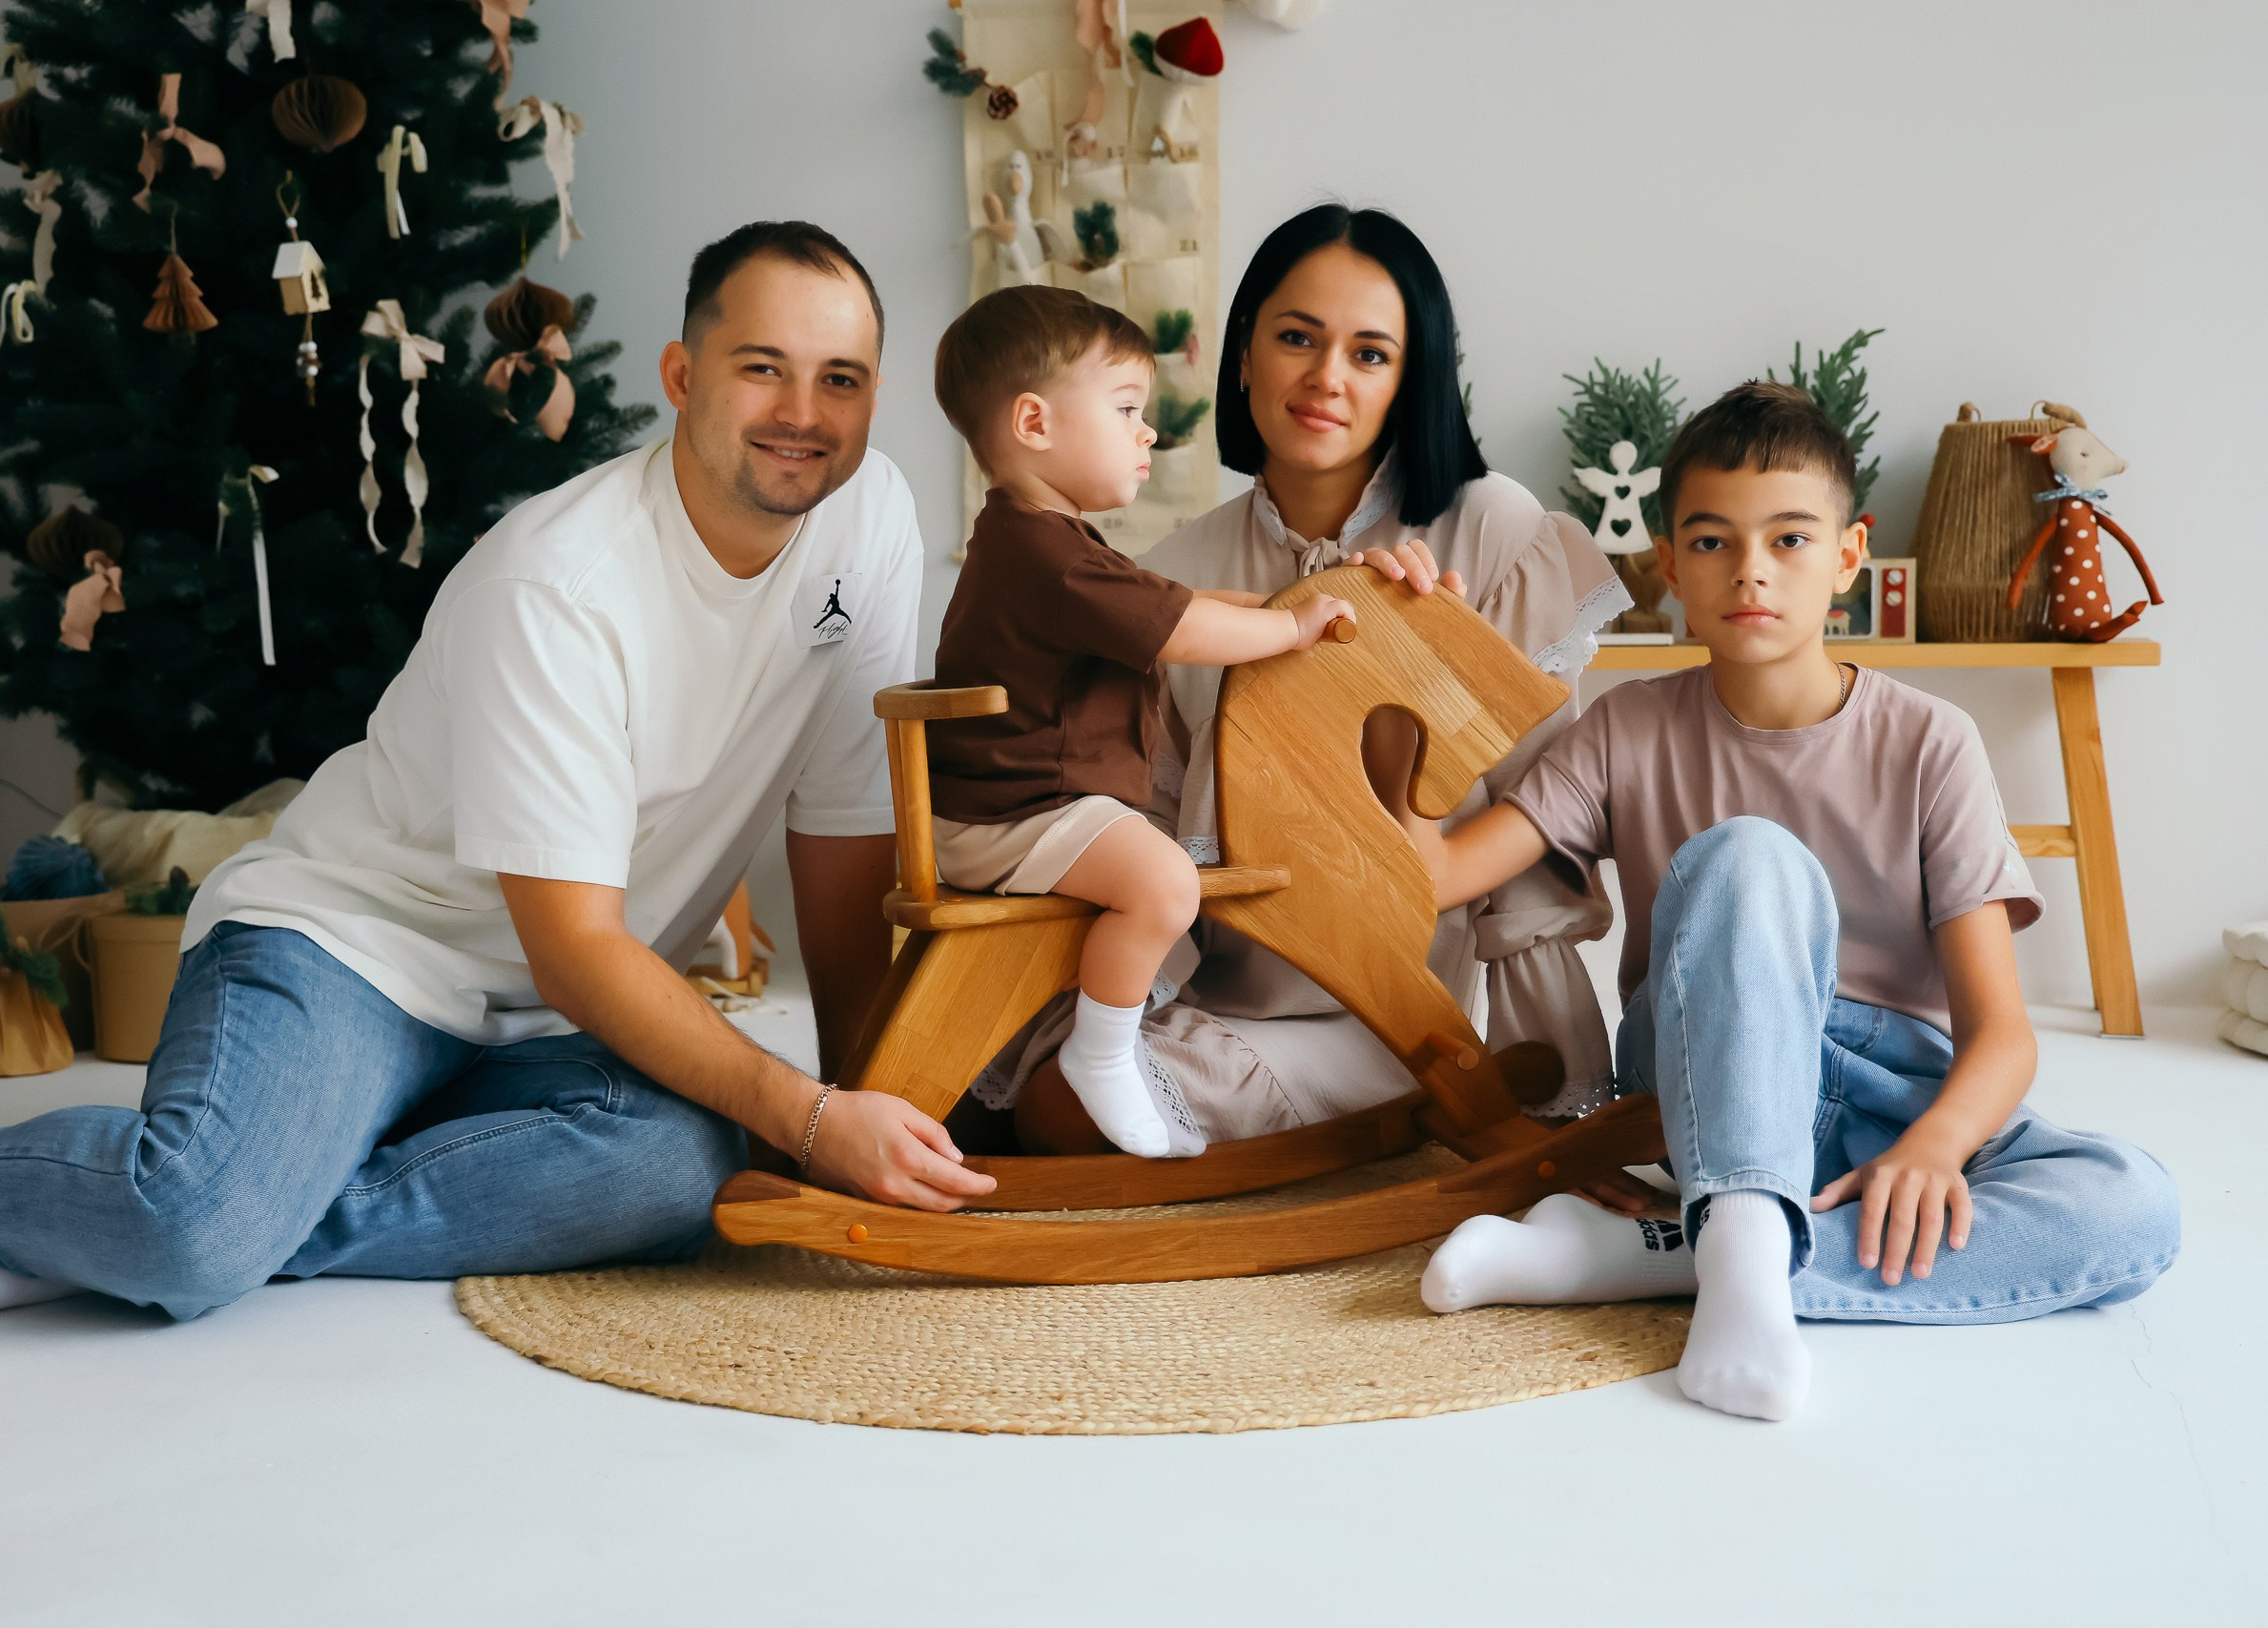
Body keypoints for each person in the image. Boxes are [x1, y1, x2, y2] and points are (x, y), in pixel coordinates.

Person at [0, 220, 996, 1329]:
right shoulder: (556, 586)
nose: (803, 414)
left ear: (873, 397)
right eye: (763, 369)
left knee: (680, 1170)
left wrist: (851, 1108)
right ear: (683, 377)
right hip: (353, 952)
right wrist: (810, 1115)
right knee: (193, 1221)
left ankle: (131, 1226)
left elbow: (844, 837)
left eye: (840, 378)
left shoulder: (869, 520)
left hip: (545, 1025)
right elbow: (577, 948)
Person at [1412, 381, 2181, 1421]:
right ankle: (1733, 1231)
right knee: (1749, 857)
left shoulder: (1930, 741)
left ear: (1848, 556)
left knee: (2128, 1209)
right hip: (1703, 1069)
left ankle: (1680, 1253)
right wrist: (1408, 660)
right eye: (1714, 543)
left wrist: (1933, 1147)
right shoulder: (1622, 730)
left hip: (1877, 1094)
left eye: (1787, 540)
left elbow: (2000, 1035)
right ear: (1671, 562)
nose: (1751, 573)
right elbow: (1438, 871)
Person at [984, 205, 1631, 1161]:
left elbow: (1537, 832)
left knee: (1055, 1116)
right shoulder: (1173, 572)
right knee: (1019, 1093)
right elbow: (1142, 833)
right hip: (1214, 989)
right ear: (1244, 355)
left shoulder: (1493, 532)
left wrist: (1559, 1105)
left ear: (1410, 379)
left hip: (1384, 1014)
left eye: (1370, 354)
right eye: (1296, 339)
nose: (1326, 378)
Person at [925, 286, 1355, 1158]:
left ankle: (1104, 1040)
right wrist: (1290, 628)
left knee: (1157, 866)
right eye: (1126, 409)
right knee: (1166, 882)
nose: (1147, 430)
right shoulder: (1048, 557)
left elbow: (1180, 600)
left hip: (1023, 804)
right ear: (1036, 423)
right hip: (1012, 814)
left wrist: (1291, 602)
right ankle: (1103, 1054)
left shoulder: (1050, 540)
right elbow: (1188, 629)